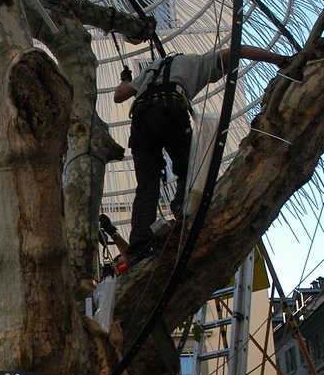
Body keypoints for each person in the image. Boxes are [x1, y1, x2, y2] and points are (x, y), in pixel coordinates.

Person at [113, 46, 290, 263]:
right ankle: (183, 214)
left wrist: (125, 79)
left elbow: (119, 96)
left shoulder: (150, 70)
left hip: (141, 119)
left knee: (146, 185)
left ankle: (140, 243)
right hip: (171, 107)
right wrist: (280, 60)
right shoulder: (196, 60)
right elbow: (239, 50)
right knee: (190, 169)